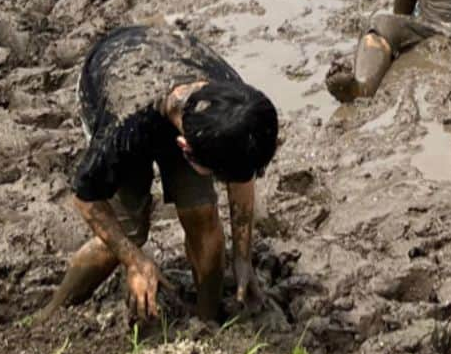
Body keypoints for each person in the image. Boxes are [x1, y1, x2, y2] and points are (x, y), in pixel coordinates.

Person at [40, 26, 278, 323]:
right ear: (186, 149)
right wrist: (134, 260)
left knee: (203, 217)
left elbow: (242, 174)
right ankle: (49, 315)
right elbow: (86, 199)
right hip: (116, 73)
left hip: (172, 72)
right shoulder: (120, 127)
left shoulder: (231, 106)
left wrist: (243, 260)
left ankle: (207, 323)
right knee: (129, 229)